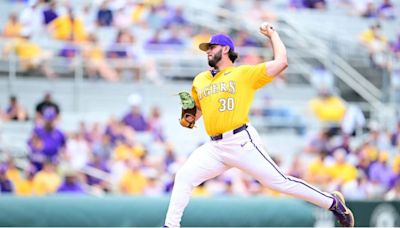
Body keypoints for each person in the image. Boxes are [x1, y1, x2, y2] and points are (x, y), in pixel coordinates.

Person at [163, 23, 354, 227]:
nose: (208, 51)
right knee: (184, 176)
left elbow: (282, 62)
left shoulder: (243, 74)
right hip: (215, 147)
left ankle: (333, 203)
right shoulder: (200, 79)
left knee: (279, 182)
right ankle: (171, 225)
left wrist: (273, 35)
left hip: (240, 141)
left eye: (212, 47)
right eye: (207, 49)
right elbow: (194, 115)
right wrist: (188, 116)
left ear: (225, 49)